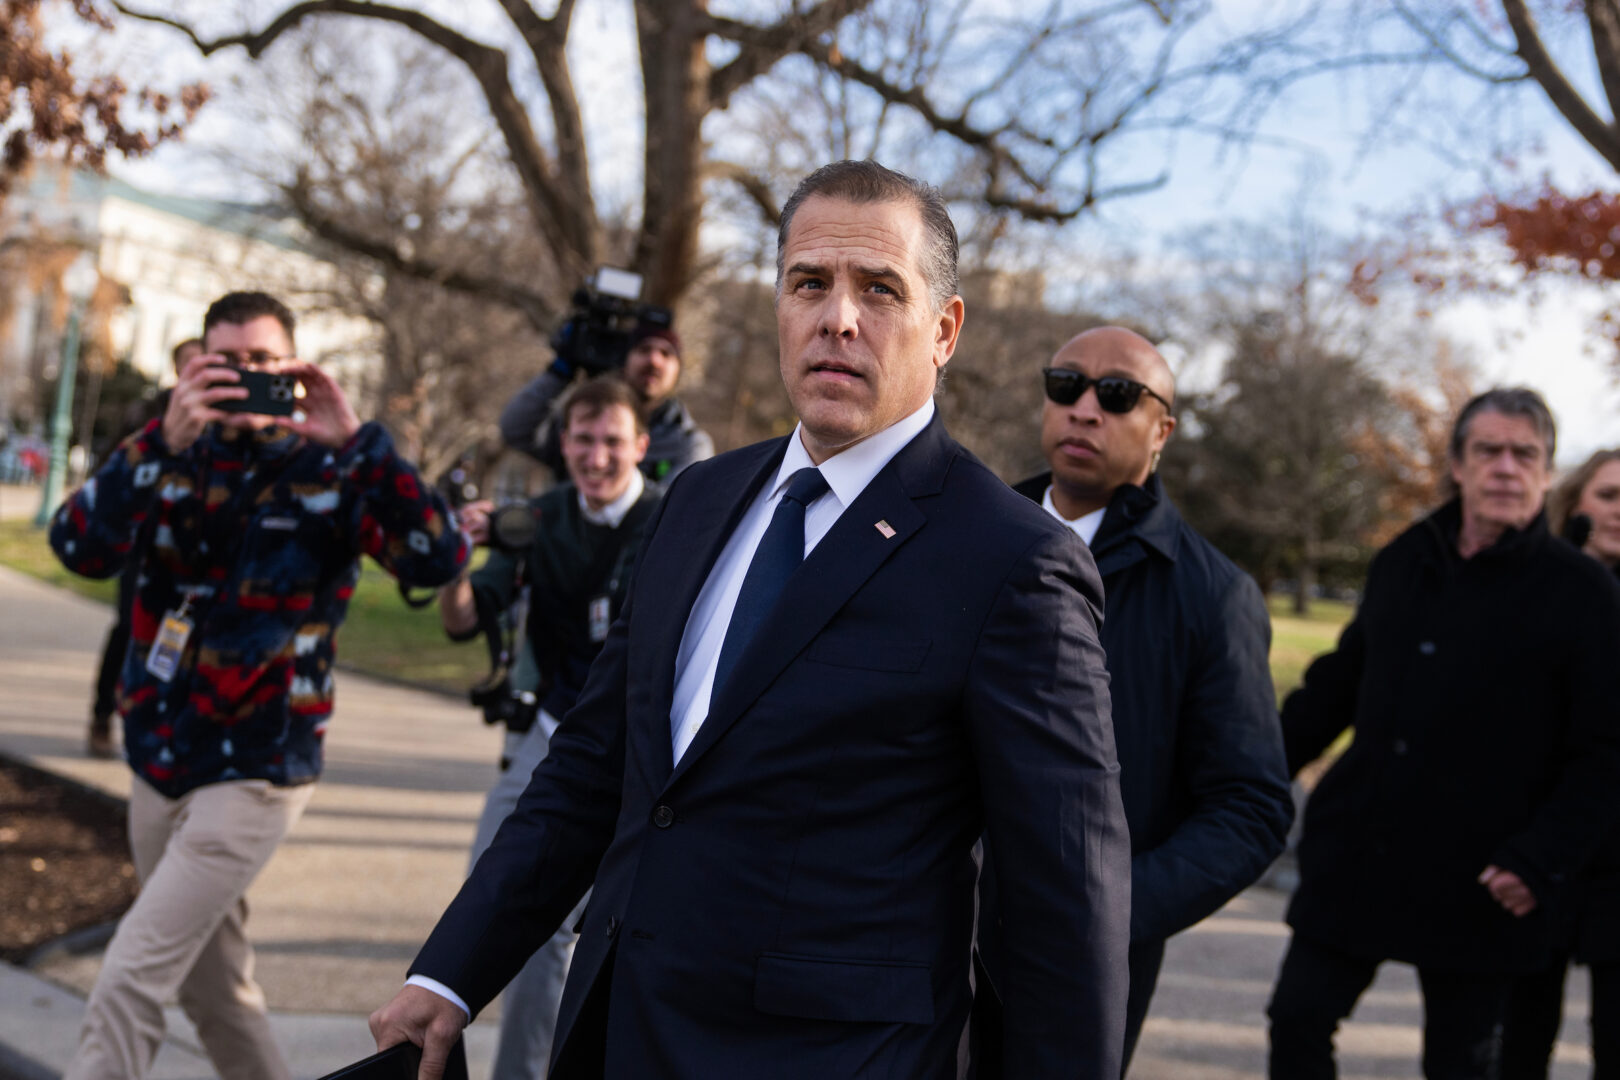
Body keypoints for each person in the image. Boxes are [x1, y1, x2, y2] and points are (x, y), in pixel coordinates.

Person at [369, 159, 1131, 1080]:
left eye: (879, 290)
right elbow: (592, 765)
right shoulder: (696, 499)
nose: (837, 318)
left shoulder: (1016, 562)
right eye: (809, 282)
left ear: (945, 329)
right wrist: (450, 974)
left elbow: (1067, 904)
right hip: (618, 1032)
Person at [50, 291, 469, 1080]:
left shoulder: (338, 468)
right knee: (216, 994)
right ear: (195, 363)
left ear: (295, 367)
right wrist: (154, 444)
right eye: (226, 361)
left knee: (129, 977)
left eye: (262, 361)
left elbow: (439, 557)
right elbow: (76, 547)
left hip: (258, 767)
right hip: (158, 756)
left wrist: (358, 440)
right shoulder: (165, 453)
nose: (244, 377)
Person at [1269, 389, 1620, 1080]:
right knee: (1297, 1020)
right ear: (1457, 465)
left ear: (1548, 475)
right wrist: (1249, 772)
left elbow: (1606, 753)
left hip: (1487, 879)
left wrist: (1540, 859)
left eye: (1526, 455)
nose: (1506, 468)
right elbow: (1336, 687)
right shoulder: (1404, 560)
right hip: (1362, 853)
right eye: (1488, 450)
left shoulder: (1582, 593)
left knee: (1462, 1065)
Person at [986, 325, 1293, 1073]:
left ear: (1162, 431)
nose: (1085, 408)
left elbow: (1250, 807)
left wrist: (1110, 908)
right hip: (913, 933)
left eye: (1117, 394)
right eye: (1066, 386)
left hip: (1071, 975)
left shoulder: (1213, 595)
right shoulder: (969, 533)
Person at [441, 375, 661, 1079]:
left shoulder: (677, 519)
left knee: (625, 938)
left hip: (643, 754)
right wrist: (452, 563)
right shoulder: (536, 519)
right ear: (563, 443)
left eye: (612, 442)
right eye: (583, 440)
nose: (597, 457)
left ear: (642, 446)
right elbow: (465, 618)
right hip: (550, 739)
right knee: (498, 909)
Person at [1500, 447, 1620, 1079]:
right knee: (1517, 1040)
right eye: (1609, 495)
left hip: (1615, 857)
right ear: (1576, 500)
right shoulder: (1536, 586)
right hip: (1539, 849)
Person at [86, 336, 204, 759]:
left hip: (195, 551)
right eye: (189, 363)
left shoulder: (225, 420)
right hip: (144, 542)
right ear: (177, 370)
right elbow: (108, 473)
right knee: (129, 626)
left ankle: (166, 724)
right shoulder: (146, 414)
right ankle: (104, 715)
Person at [499, 322, 713, 483]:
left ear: (641, 446)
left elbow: (675, 509)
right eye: (643, 350)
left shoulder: (689, 443)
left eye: (666, 354)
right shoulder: (581, 420)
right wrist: (558, 373)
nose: (654, 361)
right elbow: (516, 430)